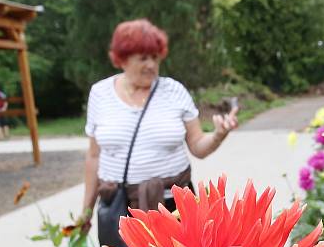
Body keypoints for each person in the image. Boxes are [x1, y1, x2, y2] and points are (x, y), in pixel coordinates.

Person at [81, 18, 238, 231]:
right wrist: (86, 211)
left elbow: (198, 146)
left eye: (155, 57)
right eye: (143, 58)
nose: (151, 65)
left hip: (174, 204)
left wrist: (218, 135)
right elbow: (94, 156)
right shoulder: (100, 94)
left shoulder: (174, 91)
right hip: (121, 207)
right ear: (122, 59)